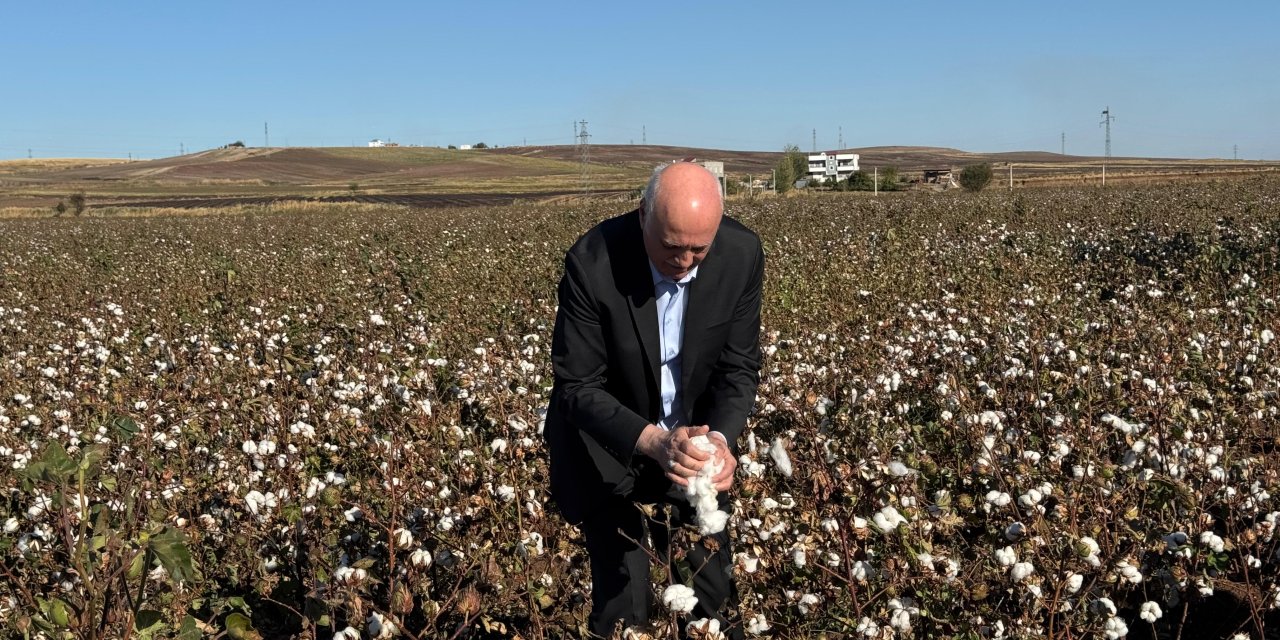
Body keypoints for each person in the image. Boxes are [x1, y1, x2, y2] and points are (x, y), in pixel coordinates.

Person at [546, 162, 763, 639]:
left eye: (698, 249)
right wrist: (654, 441)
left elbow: (738, 368)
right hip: (609, 443)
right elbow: (576, 387)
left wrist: (720, 442)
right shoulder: (593, 261)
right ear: (643, 214)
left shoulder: (740, 255)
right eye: (672, 247)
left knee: (711, 601)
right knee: (627, 606)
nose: (685, 262)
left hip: (693, 446)